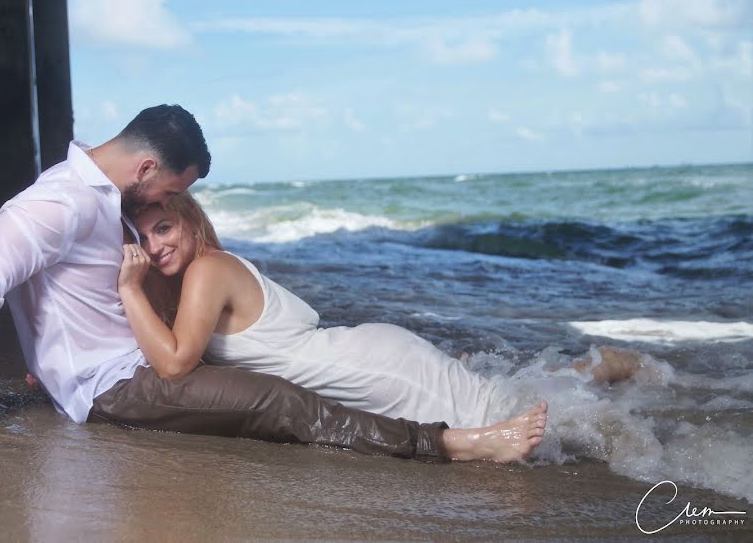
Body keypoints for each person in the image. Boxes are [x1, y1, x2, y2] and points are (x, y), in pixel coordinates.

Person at [0, 104, 539, 463]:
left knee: (282, 396)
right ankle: (450, 446)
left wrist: (45, 354)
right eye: (170, 193)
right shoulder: (60, 202)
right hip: (114, 384)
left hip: (120, 366)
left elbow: (62, 289)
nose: (170, 208)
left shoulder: (99, 200)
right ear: (146, 169)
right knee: (275, 400)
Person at [116, 192, 642, 452]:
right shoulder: (195, 280)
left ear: (191, 222)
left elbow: (176, 362)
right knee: (505, 397)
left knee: (537, 428)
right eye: (143, 238)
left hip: (372, 371)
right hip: (363, 360)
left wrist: (128, 287)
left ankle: (661, 435)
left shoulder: (208, 268)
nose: (155, 246)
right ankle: (604, 367)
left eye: (164, 228)